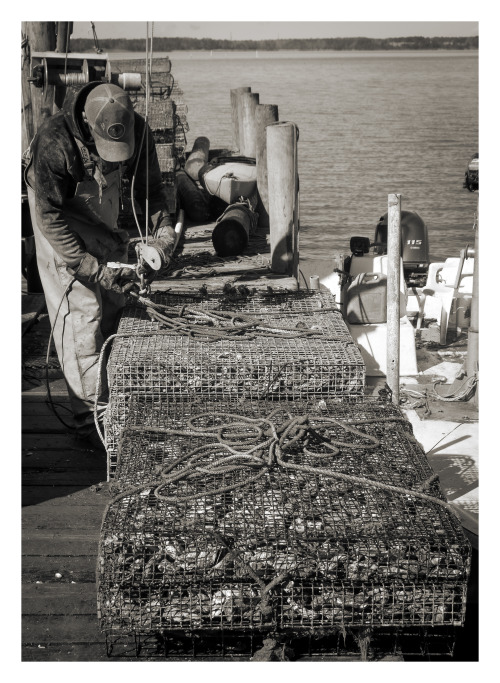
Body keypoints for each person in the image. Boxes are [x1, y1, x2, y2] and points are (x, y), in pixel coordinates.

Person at [24, 81, 175, 449]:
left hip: (96, 208)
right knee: (83, 313)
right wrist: (94, 271)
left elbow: (150, 192)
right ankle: (88, 421)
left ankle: (112, 401)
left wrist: (163, 233)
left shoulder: (139, 132)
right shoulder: (53, 144)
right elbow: (50, 219)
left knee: (113, 308)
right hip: (56, 217)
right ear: (88, 128)